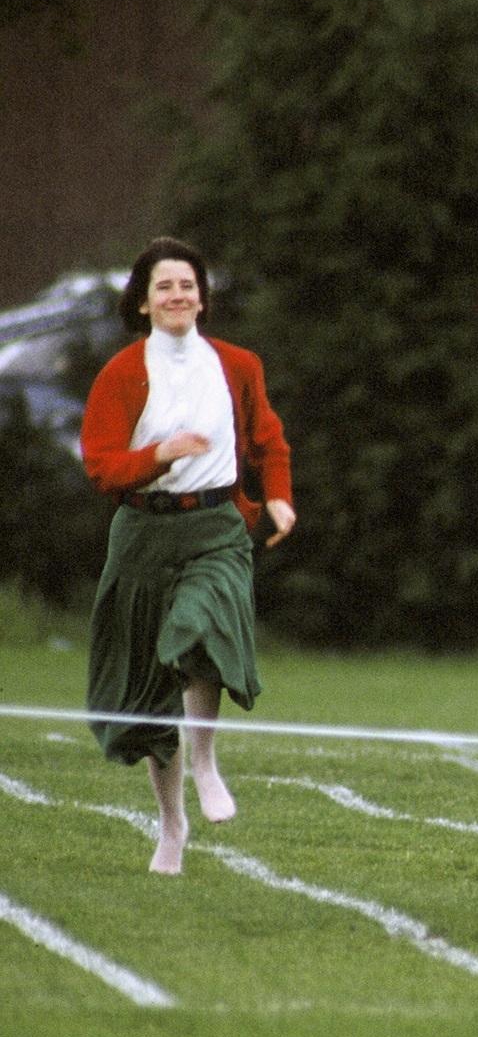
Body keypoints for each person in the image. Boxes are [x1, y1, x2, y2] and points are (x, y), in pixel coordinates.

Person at [81, 236, 296, 875]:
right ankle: (171, 825)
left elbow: (269, 441)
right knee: (149, 690)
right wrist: (160, 455)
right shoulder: (121, 372)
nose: (178, 296)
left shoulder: (237, 365)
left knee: (201, 626)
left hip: (216, 528)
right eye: (164, 288)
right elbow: (101, 467)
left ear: (202, 297)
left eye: (187, 285)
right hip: (144, 536)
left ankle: (205, 761)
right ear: (144, 304)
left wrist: (279, 499)